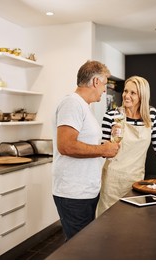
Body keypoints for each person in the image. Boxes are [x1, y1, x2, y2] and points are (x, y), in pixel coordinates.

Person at [52, 60, 120, 240]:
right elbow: (66, 145)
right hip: (73, 193)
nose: (104, 90)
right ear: (96, 82)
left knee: (84, 247)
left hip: (85, 191)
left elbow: (85, 144)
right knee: (79, 250)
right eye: (105, 84)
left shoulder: (83, 107)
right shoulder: (72, 104)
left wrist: (106, 144)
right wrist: (103, 150)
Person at [96, 75, 156, 217]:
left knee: (132, 220)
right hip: (112, 180)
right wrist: (112, 139)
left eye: (132, 93)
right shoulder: (112, 115)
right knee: (109, 221)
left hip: (136, 179)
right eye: (125, 91)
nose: (126, 96)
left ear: (142, 96)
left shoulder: (151, 115)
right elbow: (103, 151)